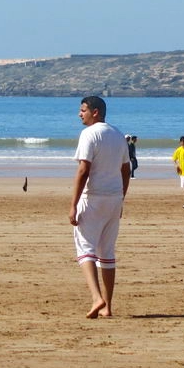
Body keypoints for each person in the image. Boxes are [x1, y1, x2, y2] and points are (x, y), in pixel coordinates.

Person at [69, 96, 131, 318]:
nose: (80, 114)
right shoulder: (117, 134)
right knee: (107, 252)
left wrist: (73, 205)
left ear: (95, 112)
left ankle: (97, 298)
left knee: (85, 249)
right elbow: (126, 170)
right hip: (113, 198)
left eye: (83, 110)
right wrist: (121, 198)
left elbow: (83, 170)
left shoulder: (89, 134)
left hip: (93, 197)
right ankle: (108, 307)